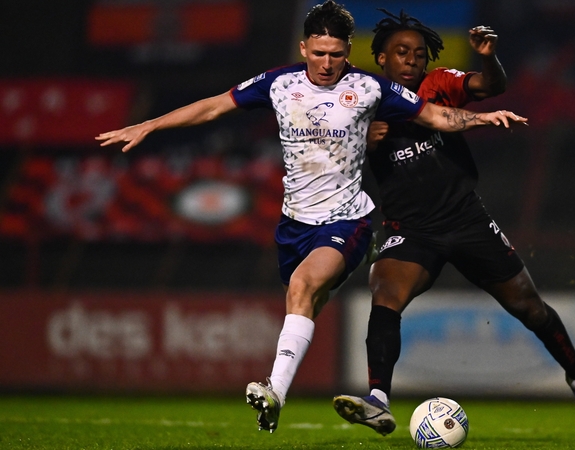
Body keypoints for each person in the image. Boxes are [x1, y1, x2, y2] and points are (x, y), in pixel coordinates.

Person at [95, 0, 527, 434]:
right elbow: (213, 106)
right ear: (304, 48)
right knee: (306, 302)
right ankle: (280, 397)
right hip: (294, 225)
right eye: (319, 53)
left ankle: (275, 391)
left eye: (336, 54)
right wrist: (149, 125)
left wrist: (479, 118)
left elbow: (434, 115)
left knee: (303, 287)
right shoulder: (278, 84)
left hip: (347, 221)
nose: (327, 63)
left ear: (348, 51)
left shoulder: (370, 88)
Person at [331, 9, 575, 437]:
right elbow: (326, 154)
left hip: (466, 218)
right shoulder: (357, 101)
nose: (411, 60)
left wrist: (488, 57)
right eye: (400, 52)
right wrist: (358, 137)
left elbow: (491, 85)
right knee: (385, 293)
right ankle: (378, 401)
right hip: (411, 230)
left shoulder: (438, 84)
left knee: (528, 306)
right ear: (381, 58)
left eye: (418, 54)